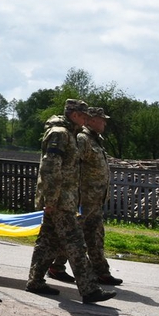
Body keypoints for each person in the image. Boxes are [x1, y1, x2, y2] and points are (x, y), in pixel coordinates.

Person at [25, 99, 116, 303]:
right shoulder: (60, 134)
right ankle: (89, 289)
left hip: (65, 199)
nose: (86, 120)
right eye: (83, 116)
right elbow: (50, 168)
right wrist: (51, 200)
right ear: (74, 115)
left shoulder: (70, 134)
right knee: (75, 243)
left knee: (47, 242)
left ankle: (35, 281)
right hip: (59, 200)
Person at [48, 106, 123, 286]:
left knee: (96, 236)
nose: (105, 123)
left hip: (95, 199)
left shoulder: (96, 140)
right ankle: (55, 267)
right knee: (73, 235)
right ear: (91, 120)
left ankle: (101, 272)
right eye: (102, 120)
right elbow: (73, 165)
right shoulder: (83, 139)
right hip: (83, 198)